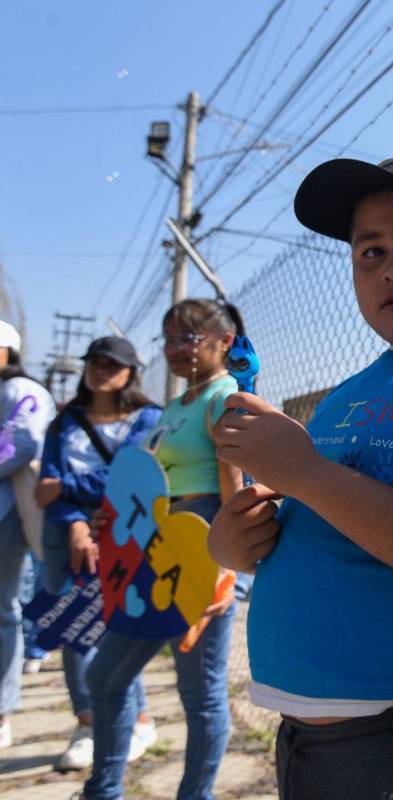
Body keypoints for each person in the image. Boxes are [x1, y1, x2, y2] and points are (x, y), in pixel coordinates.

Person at [208, 157, 393, 800]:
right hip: (304, 737)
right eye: (369, 251)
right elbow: (325, 525)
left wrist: (307, 472)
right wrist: (236, 542)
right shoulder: (348, 393)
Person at [81, 302, 243, 800]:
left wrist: (226, 569)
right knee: (105, 677)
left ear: (224, 342)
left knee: (200, 696)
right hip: (149, 553)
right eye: (168, 339)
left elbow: (234, 486)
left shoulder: (225, 397)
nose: (174, 350)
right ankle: (103, 789)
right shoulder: (174, 407)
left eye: (187, 339)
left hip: (199, 554)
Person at [35, 336, 162, 771]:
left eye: (112, 363)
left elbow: (132, 474)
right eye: (94, 362)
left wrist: (70, 488)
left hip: (126, 530)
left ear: (131, 372)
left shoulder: (150, 418)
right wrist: (74, 522)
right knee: (75, 631)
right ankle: (88, 724)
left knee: (122, 631)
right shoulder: (65, 419)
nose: (101, 369)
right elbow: (45, 483)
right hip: (66, 535)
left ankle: (139, 719)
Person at [0, 320, 53, 748]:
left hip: (7, 515)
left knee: (3, 610)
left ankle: (2, 709)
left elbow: (22, 443)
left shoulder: (23, 392)